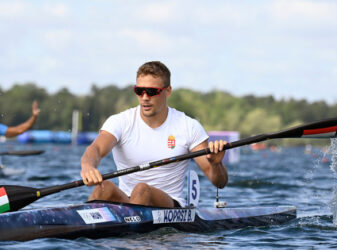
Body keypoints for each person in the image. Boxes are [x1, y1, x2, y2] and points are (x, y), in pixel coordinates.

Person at [80, 61, 228, 208]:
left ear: (168, 91)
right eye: (139, 91)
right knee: (103, 187)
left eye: (151, 92)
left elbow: (219, 183)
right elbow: (96, 149)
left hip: (169, 205)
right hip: (127, 202)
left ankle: (130, 225)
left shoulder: (188, 126)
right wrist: (88, 166)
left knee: (142, 189)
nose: (144, 97)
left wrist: (216, 164)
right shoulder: (120, 121)